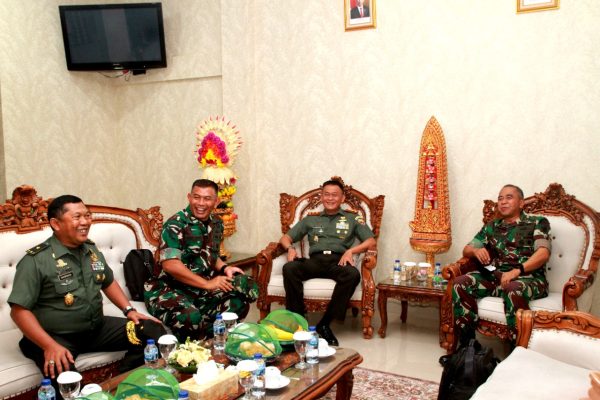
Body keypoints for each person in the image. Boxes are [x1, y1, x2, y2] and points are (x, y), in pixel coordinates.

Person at [8, 195, 165, 398]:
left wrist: (129, 310)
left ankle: (122, 387)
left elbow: (108, 281)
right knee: (67, 381)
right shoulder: (36, 260)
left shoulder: (90, 250)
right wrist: (49, 346)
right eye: (77, 217)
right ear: (56, 224)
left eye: (87, 215)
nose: (85, 222)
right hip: (54, 337)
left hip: (96, 330)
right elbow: (19, 311)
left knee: (152, 330)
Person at [145, 179, 259, 341]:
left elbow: (210, 254)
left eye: (207, 198)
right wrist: (207, 284)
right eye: (196, 197)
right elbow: (170, 265)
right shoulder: (175, 224)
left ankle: (214, 341)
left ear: (216, 201)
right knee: (191, 316)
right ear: (189, 197)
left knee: (244, 293)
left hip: (199, 290)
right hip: (169, 289)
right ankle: (194, 346)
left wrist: (225, 268)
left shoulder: (216, 223)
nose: (201, 203)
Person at [279, 178, 376, 346]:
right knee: (289, 268)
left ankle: (324, 324)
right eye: (326, 194)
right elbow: (286, 238)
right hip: (315, 261)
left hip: (337, 262)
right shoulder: (310, 219)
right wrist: (290, 248)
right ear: (322, 197)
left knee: (352, 274)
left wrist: (351, 251)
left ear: (342, 198)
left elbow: (371, 241)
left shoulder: (353, 218)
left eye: (334, 195)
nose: (330, 198)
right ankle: (299, 321)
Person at [451, 184, 551, 345]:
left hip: (528, 278)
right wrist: (476, 251)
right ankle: (468, 347)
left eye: (509, 197)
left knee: (513, 288)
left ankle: (518, 348)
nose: (503, 202)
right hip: (496, 277)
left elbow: (543, 253)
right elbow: (466, 249)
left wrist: (517, 271)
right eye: (500, 198)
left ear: (521, 203)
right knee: (460, 283)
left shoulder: (537, 222)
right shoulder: (492, 226)